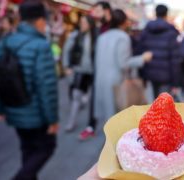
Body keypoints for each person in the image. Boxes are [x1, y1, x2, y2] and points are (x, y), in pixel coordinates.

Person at [0, 1, 58, 179]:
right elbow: (46, 87)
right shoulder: (41, 46)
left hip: (13, 108)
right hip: (36, 115)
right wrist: (52, 119)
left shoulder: (6, 41)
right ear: (41, 21)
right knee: (46, 148)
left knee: (27, 149)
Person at [93, 9, 152, 141]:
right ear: (124, 22)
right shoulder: (122, 37)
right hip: (116, 81)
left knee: (108, 119)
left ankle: (109, 144)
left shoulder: (102, 37)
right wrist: (143, 58)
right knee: (116, 120)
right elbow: (123, 63)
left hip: (101, 80)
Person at [79, 1, 112, 140]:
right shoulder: (98, 28)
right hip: (97, 70)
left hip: (111, 71)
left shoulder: (113, 28)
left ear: (106, 11)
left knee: (111, 101)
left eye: (98, 11)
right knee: (94, 98)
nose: (95, 14)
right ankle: (91, 126)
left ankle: (113, 129)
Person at [138, 4, 181, 99]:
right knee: (163, 104)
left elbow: (141, 51)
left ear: (155, 14)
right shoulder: (171, 32)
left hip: (150, 73)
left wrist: (143, 75)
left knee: (154, 102)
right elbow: (174, 59)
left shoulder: (146, 30)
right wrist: (176, 83)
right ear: (166, 14)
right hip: (166, 76)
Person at [63, 15, 96, 131]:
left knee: (93, 99)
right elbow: (66, 51)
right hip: (79, 71)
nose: (82, 25)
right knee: (76, 96)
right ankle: (71, 122)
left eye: (85, 22)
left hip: (93, 72)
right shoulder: (74, 36)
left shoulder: (96, 37)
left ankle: (91, 124)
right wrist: (66, 66)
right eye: (81, 22)